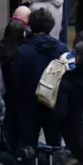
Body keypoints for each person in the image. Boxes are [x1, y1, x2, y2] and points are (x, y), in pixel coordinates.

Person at [12, 9, 68, 147]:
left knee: (28, 146)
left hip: (29, 106)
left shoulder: (23, 51)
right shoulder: (62, 49)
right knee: (55, 144)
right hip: (54, 105)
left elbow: (16, 82)